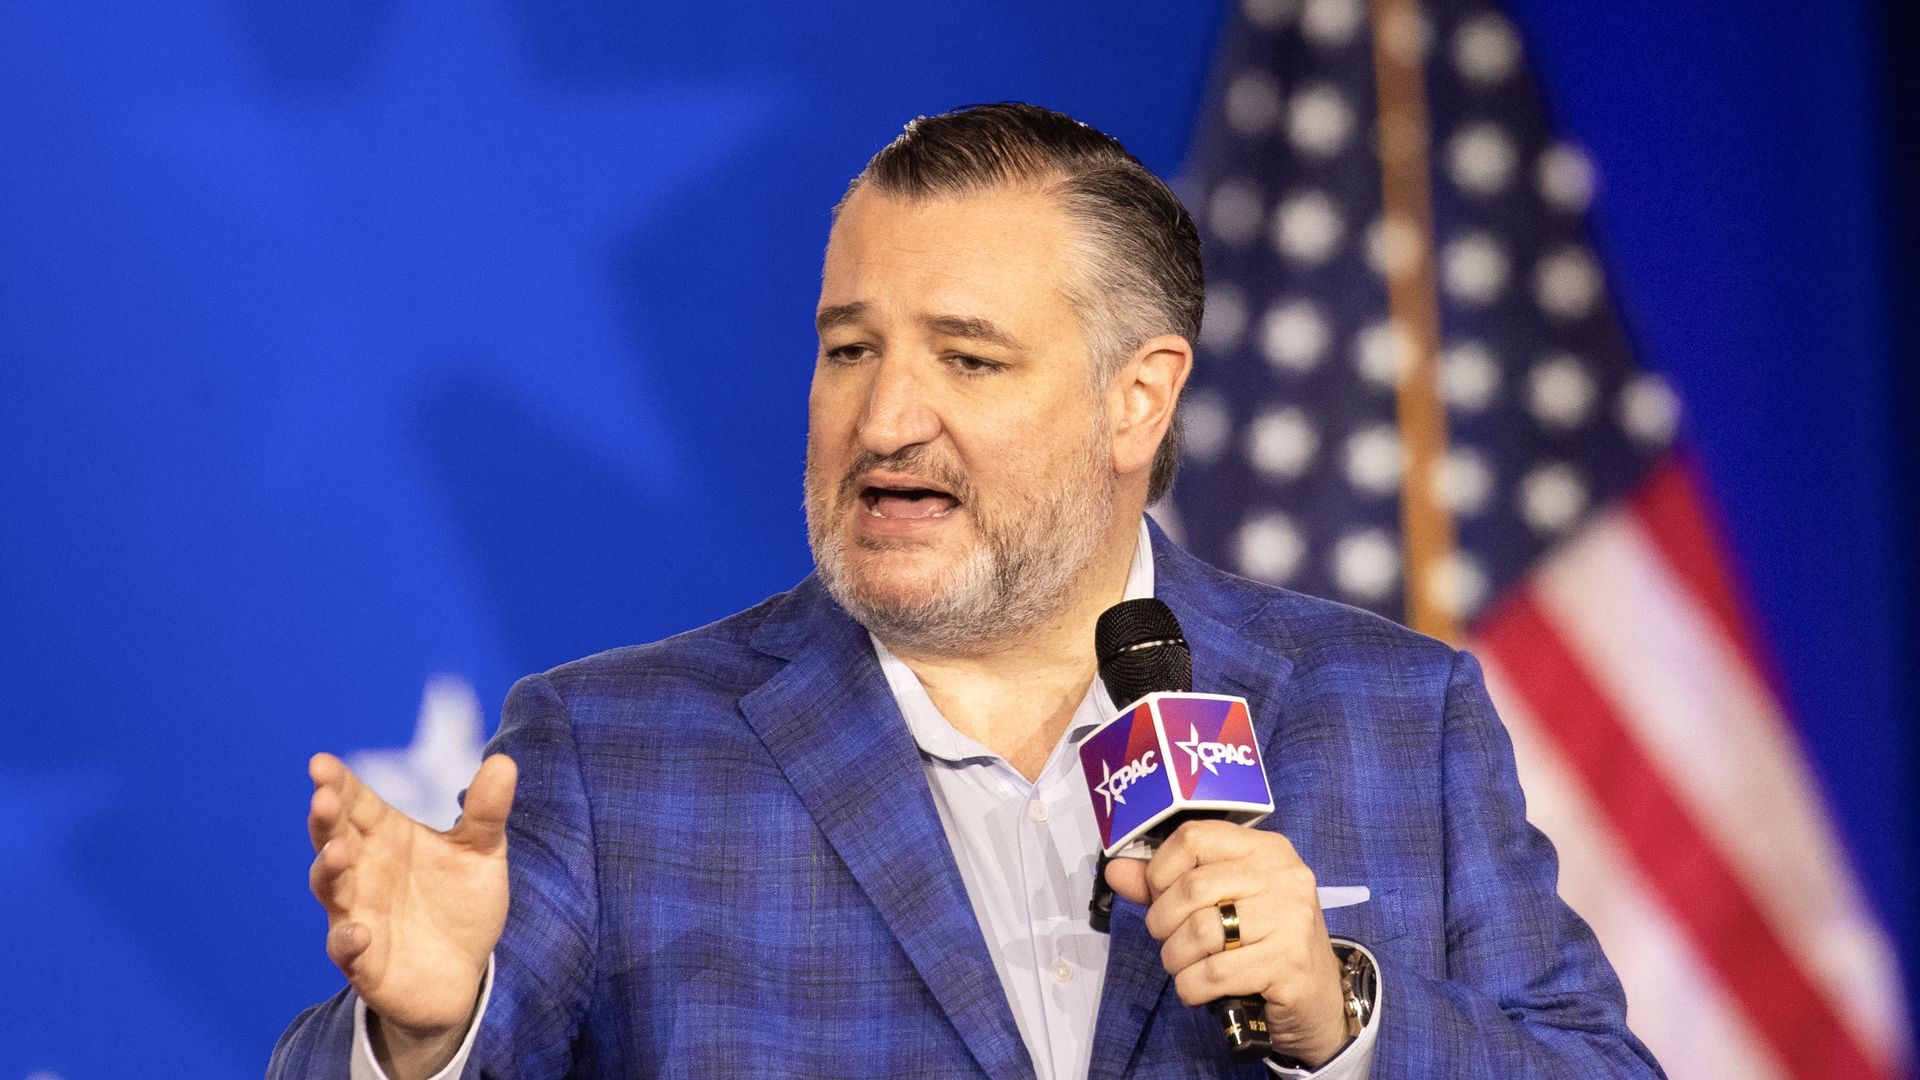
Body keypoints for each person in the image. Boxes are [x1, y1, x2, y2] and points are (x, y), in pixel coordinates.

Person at [272, 103, 1664, 1080]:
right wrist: (423, 1037)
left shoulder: (1389, 713)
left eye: (968, 358)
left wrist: (1341, 1013)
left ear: (1139, 397)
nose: (883, 422)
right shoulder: (616, 755)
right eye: (849, 349)